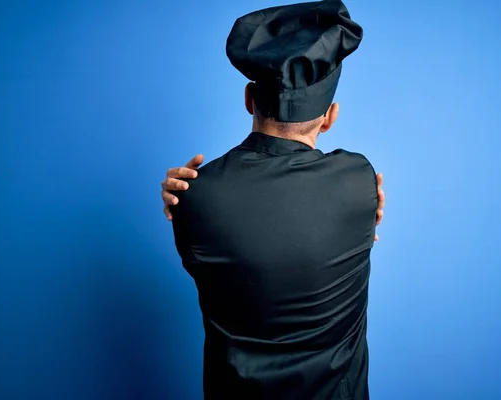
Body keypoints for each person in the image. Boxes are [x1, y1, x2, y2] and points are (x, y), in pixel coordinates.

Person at [160, 1, 385, 399]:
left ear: (249, 99)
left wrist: (185, 205)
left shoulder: (194, 195)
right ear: (330, 116)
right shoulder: (359, 182)